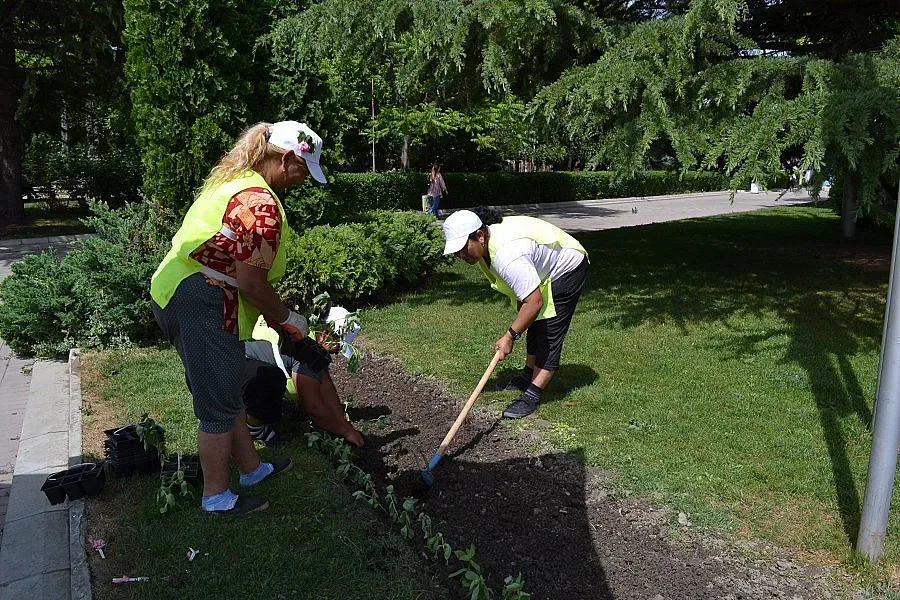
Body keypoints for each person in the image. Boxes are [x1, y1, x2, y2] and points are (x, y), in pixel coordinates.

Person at [150, 120, 328, 515]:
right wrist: (287, 319)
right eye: (303, 170)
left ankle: (251, 469)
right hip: (201, 299)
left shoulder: (235, 179)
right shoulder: (261, 205)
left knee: (224, 387)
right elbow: (252, 282)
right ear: (285, 159)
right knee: (217, 402)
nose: (302, 180)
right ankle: (216, 496)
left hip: (179, 290)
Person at [442, 209, 588, 418]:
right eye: (455, 251)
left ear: (480, 236)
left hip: (567, 266)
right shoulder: (486, 249)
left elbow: (534, 302)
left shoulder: (507, 255)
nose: (459, 255)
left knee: (549, 329)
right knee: (534, 321)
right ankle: (527, 375)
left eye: (462, 248)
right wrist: (523, 320)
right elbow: (527, 301)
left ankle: (532, 394)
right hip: (544, 269)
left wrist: (510, 336)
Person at [242, 322, 365, 448]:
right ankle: (254, 430)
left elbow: (327, 389)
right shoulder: (307, 354)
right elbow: (313, 408)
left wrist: (343, 423)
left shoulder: (311, 346)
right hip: (241, 370)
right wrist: (345, 432)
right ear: (325, 334)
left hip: (245, 367)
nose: (338, 351)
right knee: (270, 380)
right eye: (339, 344)